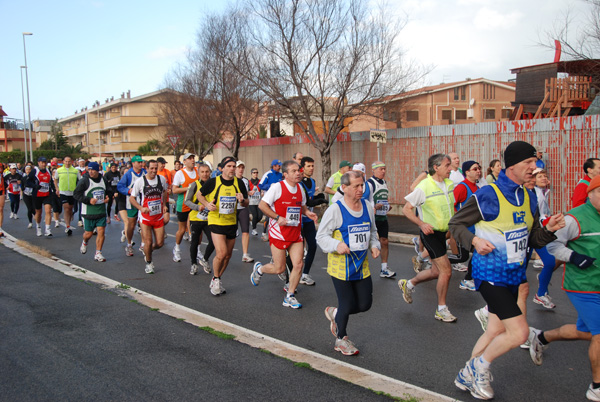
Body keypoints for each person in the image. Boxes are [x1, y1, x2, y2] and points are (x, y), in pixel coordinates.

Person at [449, 141, 565, 400]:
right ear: (512, 165)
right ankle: (479, 367)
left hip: (514, 274)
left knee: (495, 330)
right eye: (529, 163)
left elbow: (532, 239)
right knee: (519, 333)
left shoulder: (528, 195)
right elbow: (456, 224)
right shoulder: (488, 194)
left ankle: (466, 374)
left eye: (535, 163)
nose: (534, 169)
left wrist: (549, 230)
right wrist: (475, 241)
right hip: (489, 275)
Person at [530, 175, 600, 402]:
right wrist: (573, 256)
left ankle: (542, 338)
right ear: (590, 194)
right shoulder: (574, 218)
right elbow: (551, 244)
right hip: (584, 286)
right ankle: (596, 386)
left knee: (585, 331)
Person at [316, 170, 380, 355]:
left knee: (364, 304)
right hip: (340, 268)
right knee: (346, 302)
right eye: (356, 186)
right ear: (344, 188)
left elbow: (373, 231)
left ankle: (336, 314)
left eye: (363, 185)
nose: (361, 189)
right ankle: (341, 339)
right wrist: (337, 245)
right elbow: (321, 236)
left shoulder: (367, 206)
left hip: (362, 267)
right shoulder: (335, 209)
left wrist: (374, 245)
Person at [398, 153, 466, 322]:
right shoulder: (424, 186)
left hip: (444, 233)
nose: (450, 169)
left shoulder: (450, 185)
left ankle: (409, 284)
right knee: (446, 271)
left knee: (436, 271)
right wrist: (421, 224)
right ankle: (441, 309)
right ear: (436, 167)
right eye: (447, 165)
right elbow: (406, 209)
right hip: (430, 233)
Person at [251, 160, 318, 308]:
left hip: (295, 232)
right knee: (279, 268)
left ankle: (290, 295)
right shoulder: (277, 188)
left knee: (299, 264)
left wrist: (308, 213)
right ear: (285, 174)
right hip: (279, 233)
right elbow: (262, 205)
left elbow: (302, 206)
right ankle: (259, 269)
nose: (298, 173)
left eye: (298, 170)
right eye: (294, 171)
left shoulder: (300, 188)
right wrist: (276, 217)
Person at [197, 156, 248, 296]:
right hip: (216, 221)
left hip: (231, 222)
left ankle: (216, 278)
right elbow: (199, 194)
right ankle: (217, 279)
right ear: (222, 168)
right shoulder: (214, 181)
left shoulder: (239, 183)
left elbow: (246, 202)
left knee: (228, 256)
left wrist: (242, 201)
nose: (232, 169)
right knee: (222, 253)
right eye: (229, 166)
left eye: (234, 166)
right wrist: (207, 204)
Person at [129, 160, 169, 274]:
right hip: (145, 218)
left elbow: (165, 191)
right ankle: (149, 263)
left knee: (160, 243)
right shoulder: (140, 182)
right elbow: (132, 198)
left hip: (158, 217)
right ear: (146, 168)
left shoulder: (161, 179)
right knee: (148, 241)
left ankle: (147, 251)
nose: (154, 171)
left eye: (155, 168)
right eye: (151, 168)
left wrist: (164, 205)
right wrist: (141, 208)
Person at [453, 160, 482, 291]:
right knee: (462, 257)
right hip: (463, 228)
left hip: (475, 229)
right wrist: (458, 220)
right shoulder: (462, 187)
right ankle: (437, 261)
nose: (478, 171)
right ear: (467, 172)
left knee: (477, 254)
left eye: (479, 168)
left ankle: (468, 278)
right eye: (475, 169)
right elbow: (451, 204)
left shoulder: (478, 187)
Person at [73, 162, 112, 262]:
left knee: (101, 232)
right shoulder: (84, 181)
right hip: (88, 212)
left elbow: (108, 191)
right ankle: (85, 242)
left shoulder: (103, 180)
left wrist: (108, 197)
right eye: (89, 170)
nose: (90, 172)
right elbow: (76, 194)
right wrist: (89, 200)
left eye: (93, 170)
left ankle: (98, 253)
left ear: (97, 170)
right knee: (88, 234)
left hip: (101, 211)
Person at [299, 156, 329, 285]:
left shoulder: (312, 181)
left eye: (312, 166)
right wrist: (319, 200)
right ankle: (290, 273)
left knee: (312, 246)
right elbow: (307, 201)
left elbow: (311, 198)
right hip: (298, 221)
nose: (311, 168)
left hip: (308, 219)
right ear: (302, 168)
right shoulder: (299, 182)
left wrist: (318, 196)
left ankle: (305, 274)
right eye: (308, 166)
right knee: (298, 250)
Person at [366, 161, 396, 278]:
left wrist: (387, 206)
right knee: (364, 243)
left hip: (382, 217)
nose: (383, 171)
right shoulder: (369, 183)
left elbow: (384, 198)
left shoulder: (384, 182)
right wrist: (374, 206)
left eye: (384, 169)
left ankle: (384, 269)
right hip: (371, 217)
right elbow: (365, 200)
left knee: (384, 241)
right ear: (373, 170)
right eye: (380, 169)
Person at [184, 163, 215, 275]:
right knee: (195, 242)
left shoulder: (214, 184)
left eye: (207, 172)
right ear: (198, 173)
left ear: (210, 172)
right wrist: (198, 207)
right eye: (202, 172)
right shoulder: (194, 185)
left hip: (210, 218)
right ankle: (193, 264)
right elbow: (186, 201)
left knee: (214, 241)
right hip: (196, 218)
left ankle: (205, 259)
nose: (205, 174)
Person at [117, 155, 146, 256]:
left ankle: (143, 244)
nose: (141, 164)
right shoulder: (128, 174)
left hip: (143, 202)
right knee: (131, 224)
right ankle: (129, 244)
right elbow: (120, 186)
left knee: (143, 224)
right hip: (132, 203)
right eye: (139, 162)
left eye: (141, 162)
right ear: (133, 164)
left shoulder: (144, 173)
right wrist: (128, 191)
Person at [172, 153, 198, 262]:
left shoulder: (198, 171)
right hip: (183, 204)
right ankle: (177, 249)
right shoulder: (180, 174)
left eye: (193, 158)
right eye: (190, 158)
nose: (192, 160)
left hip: (196, 204)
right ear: (184, 161)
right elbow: (174, 190)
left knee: (197, 229)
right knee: (182, 230)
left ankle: (198, 251)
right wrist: (189, 188)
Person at [29, 157, 57, 237]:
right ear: (38, 163)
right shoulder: (35, 171)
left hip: (47, 194)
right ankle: (38, 227)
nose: (43, 164)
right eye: (42, 162)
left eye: (44, 162)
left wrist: (55, 191)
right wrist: (35, 186)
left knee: (48, 211)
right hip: (37, 195)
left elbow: (51, 182)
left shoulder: (48, 170)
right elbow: (28, 182)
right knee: (38, 212)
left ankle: (47, 230)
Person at [55, 156, 81, 235]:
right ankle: (68, 226)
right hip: (63, 191)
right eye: (66, 161)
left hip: (72, 192)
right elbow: (55, 179)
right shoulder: (59, 170)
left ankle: (69, 219)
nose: (67, 163)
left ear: (71, 162)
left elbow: (80, 180)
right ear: (63, 162)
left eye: (69, 161)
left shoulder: (75, 171)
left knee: (70, 208)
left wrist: (78, 189)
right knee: (66, 208)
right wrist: (57, 188)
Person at [258, 159, 283, 241]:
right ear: (274, 166)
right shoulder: (268, 174)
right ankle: (264, 233)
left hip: (278, 199)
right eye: (278, 166)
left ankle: (276, 233)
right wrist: (270, 186)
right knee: (269, 216)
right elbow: (260, 185)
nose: (280, 167)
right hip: (268, 199)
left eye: (280, 166)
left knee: (277, 215)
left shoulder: (281, 175)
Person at [235, 160, 254, 263]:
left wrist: (248, 193)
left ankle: (245, 254)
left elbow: (245, 192)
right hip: (232, 209)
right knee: (229, 233)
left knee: (245, 231)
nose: (241, 169)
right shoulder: (231, 179)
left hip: (243, 208)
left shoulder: (245, 181)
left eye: (242, 167)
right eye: (239, 167)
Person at [248, 168, 262, 236]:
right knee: (255, 215)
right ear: (251, 174)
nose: (255, 174)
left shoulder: (260, 181)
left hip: (259, 202)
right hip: (251, 202)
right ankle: (254, 229)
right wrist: (249, 192)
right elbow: (246, 191)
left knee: (260, 216)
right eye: (254, 172)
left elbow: (262, 189)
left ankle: (253, 222)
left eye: (256, 172)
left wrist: (262, 193)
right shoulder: (249, 182)